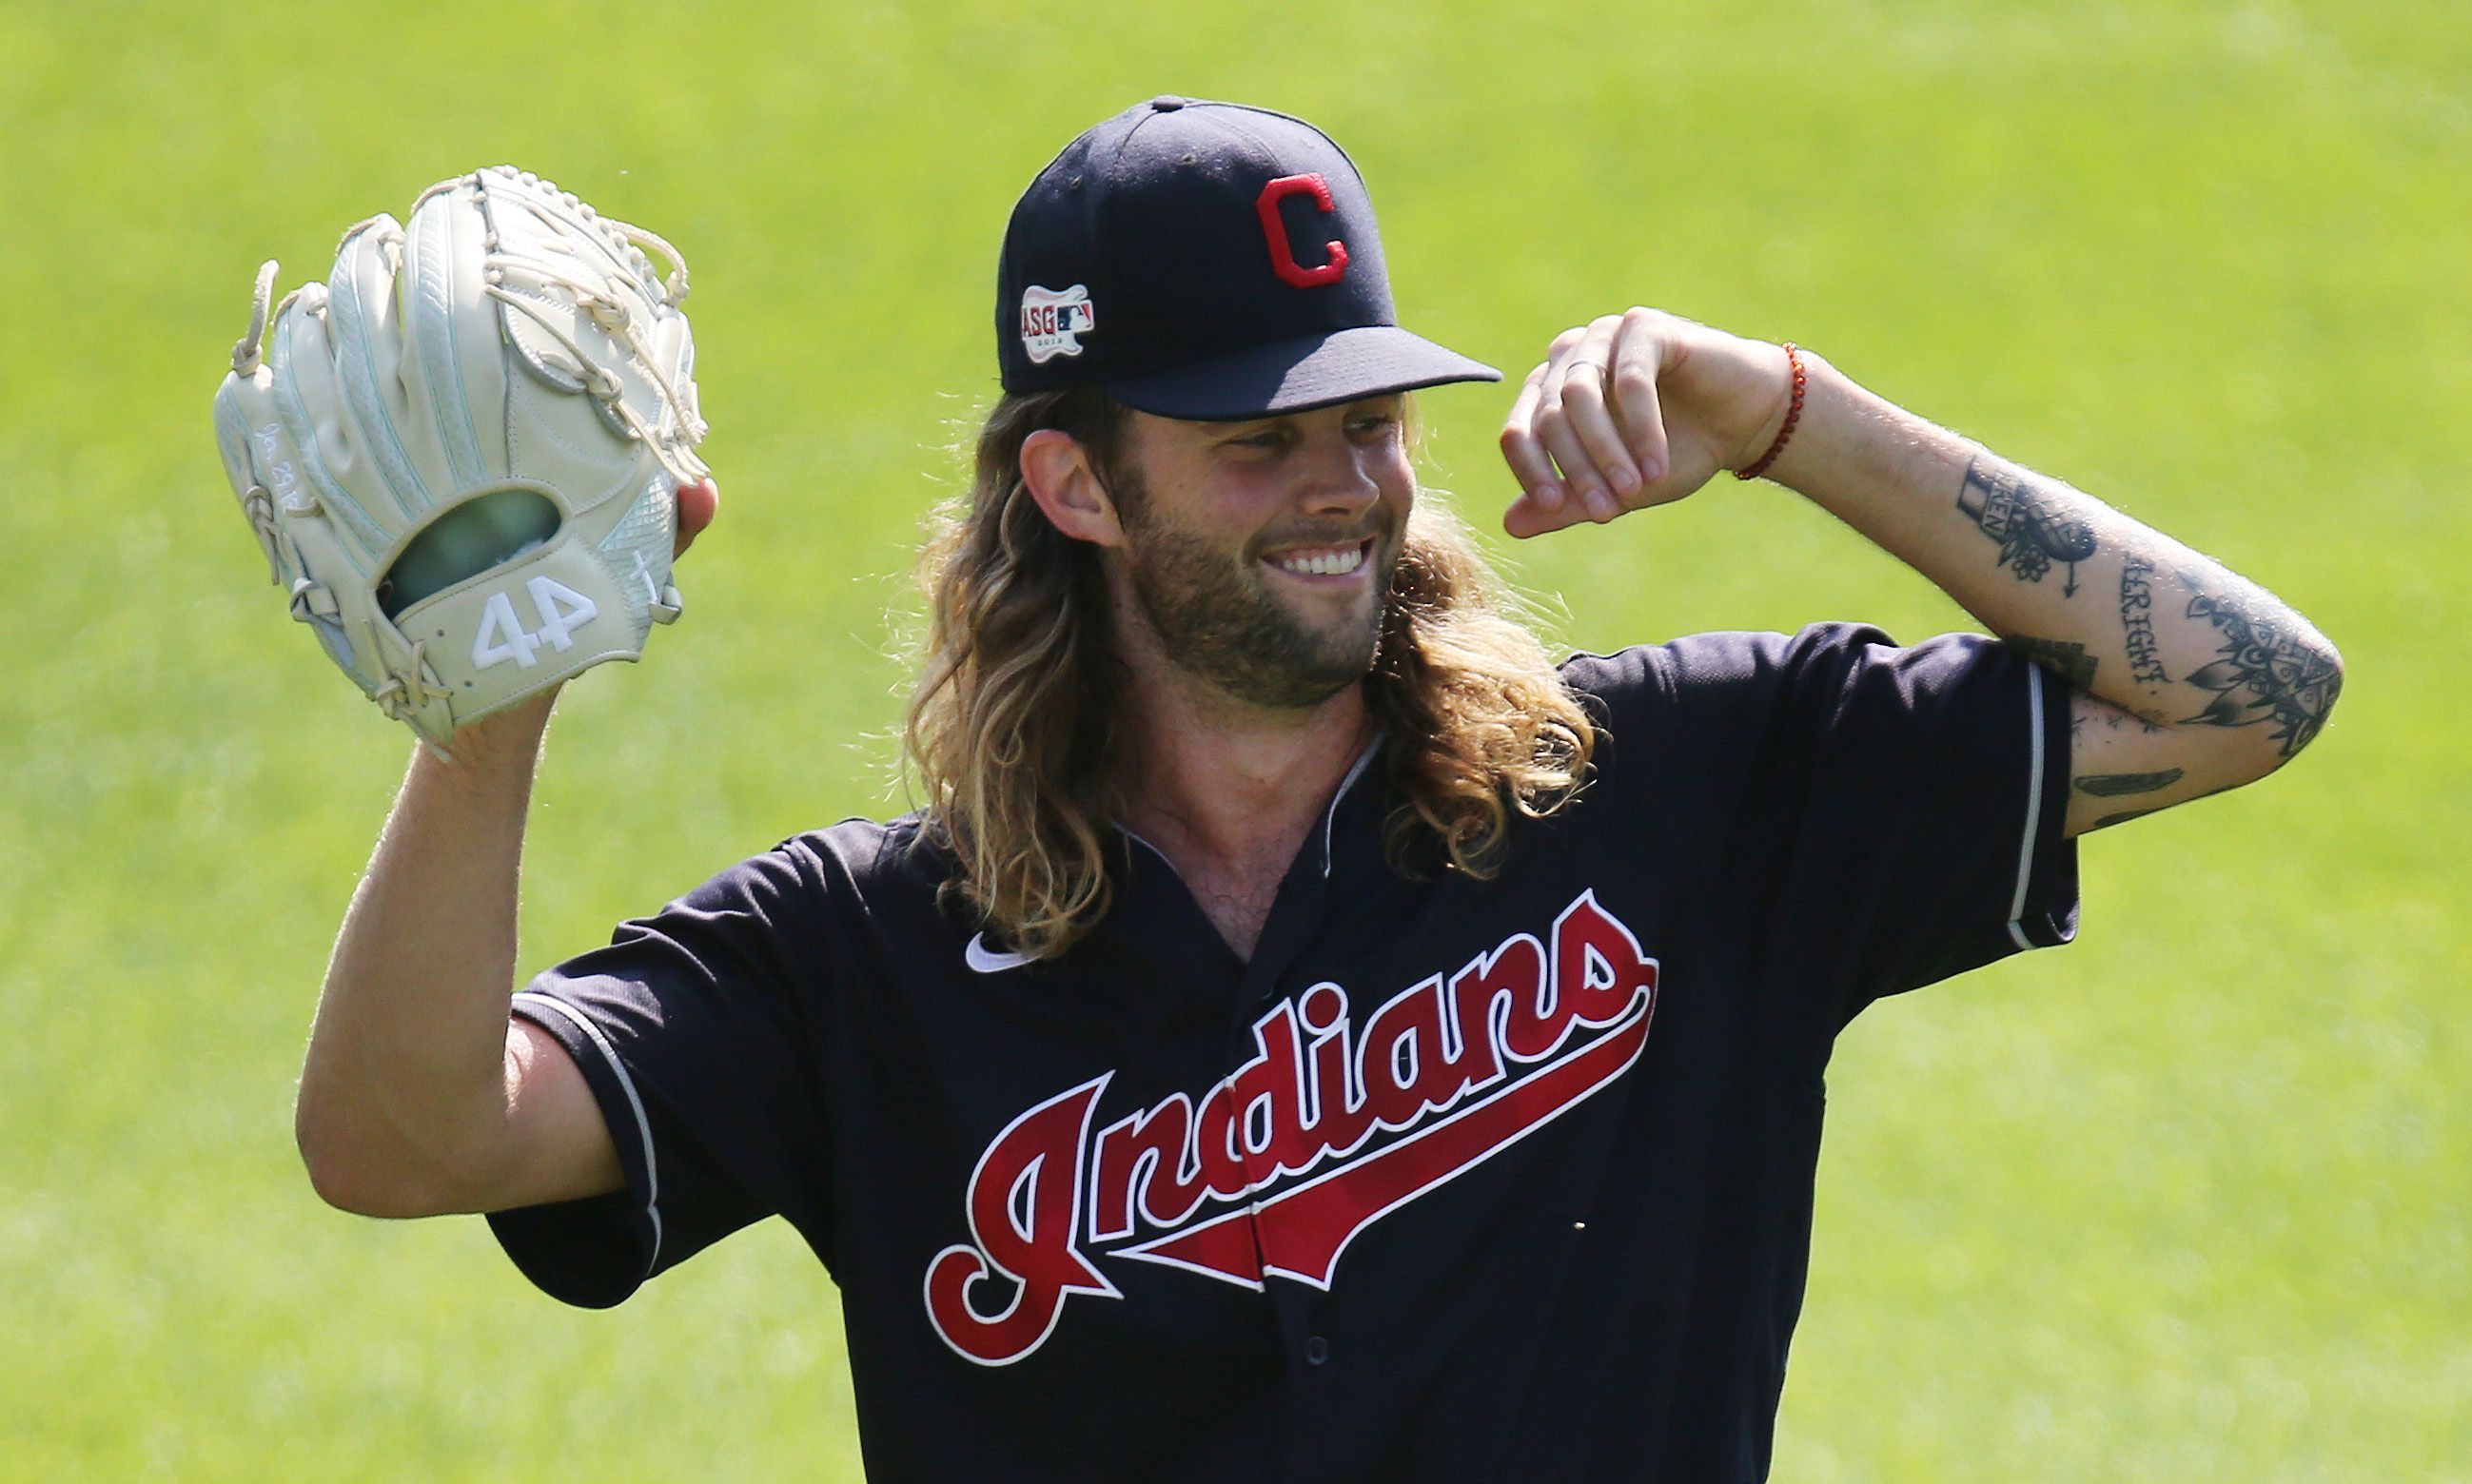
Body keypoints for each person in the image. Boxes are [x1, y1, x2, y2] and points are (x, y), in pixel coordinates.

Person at [292, 97, 2342, 1481]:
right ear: (1075, 485)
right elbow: (404, 1139)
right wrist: (494, 712)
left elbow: (2246, 691)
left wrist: (1790, 414)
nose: (1346, 485)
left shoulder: (1678, 800)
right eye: (1257, 441)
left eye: (1367, 419)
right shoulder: (866, 957)